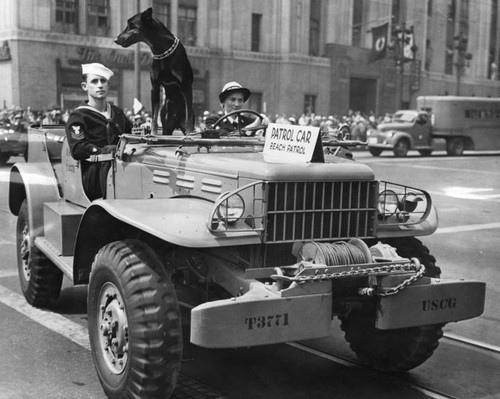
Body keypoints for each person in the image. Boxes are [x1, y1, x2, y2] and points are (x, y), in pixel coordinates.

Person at [65, 63, 132, 200]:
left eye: (103, 81)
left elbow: (132, 135)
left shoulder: (117, 113)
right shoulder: (79, 116)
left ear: (108, 85)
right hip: (93, 174)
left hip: (121, 168)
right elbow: (78, 148)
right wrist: (104, 151)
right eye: (94, 81)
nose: (100, 85)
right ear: (85, 86)